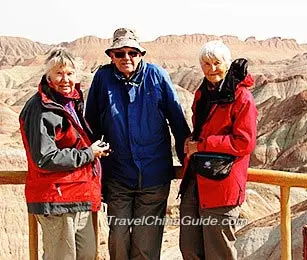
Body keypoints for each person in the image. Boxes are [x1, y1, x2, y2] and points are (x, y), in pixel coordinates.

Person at [85, 28, 190, 260]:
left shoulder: (157, 76)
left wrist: (188, 164)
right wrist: (92, 165)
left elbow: (177, 121)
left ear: (140, 54)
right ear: (111, 56)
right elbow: (90, 123)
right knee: (118, 238)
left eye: (132, 52)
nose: (126, 58)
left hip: (153, 177)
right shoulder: (103, 78)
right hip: (118, 177)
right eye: (120, 53)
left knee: (146, 246)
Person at [19, 47, 110, 260]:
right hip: (55, 198)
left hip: (77, 195)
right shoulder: (41, 108)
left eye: (69, 73)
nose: (65, 79)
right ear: (48, 75)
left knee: (87, 254)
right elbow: (45, 157)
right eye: (59, 73)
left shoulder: (68, 102)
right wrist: (89, 153)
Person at [179, 40, 258, 260]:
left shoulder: (242, 98)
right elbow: (201, 129)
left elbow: (244, 142)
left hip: (222, 184)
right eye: (206, 63)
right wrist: (190, 141)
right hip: (195, 180)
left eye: (217, 63)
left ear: (227, 64)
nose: (212, 68)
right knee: (190, 249)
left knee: (219, 252)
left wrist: (202, 145)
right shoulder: (203, 93)